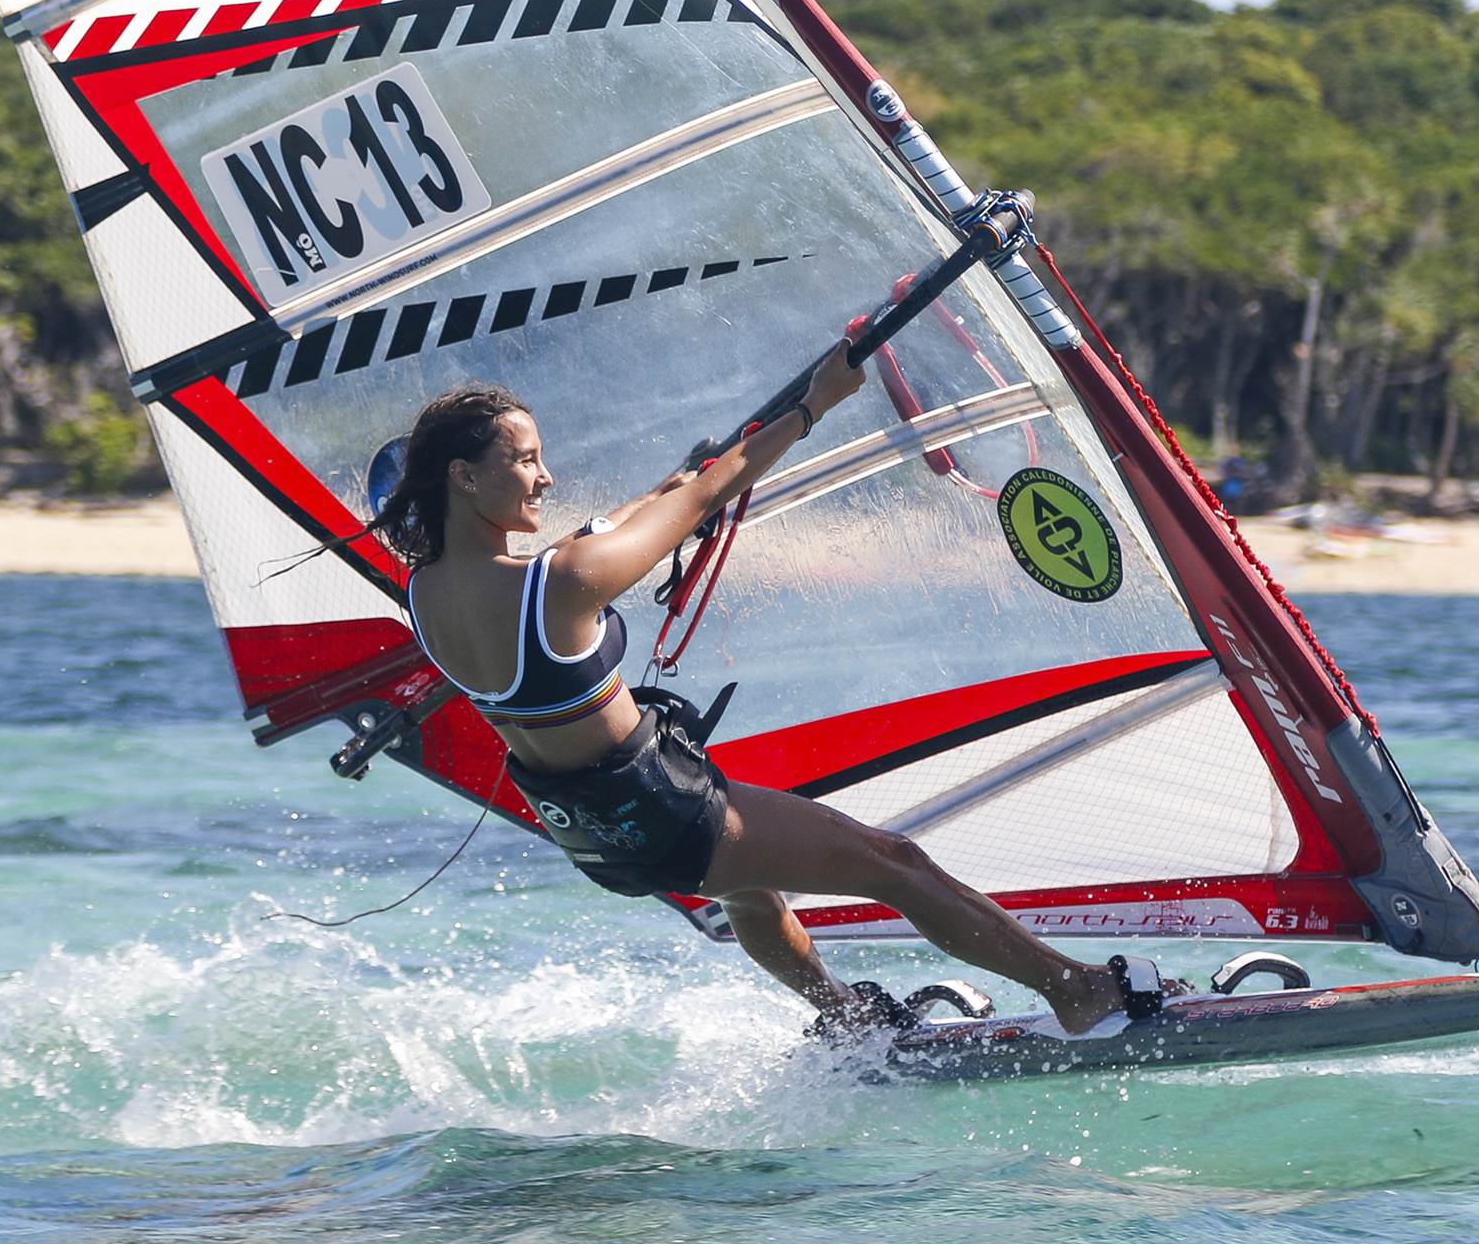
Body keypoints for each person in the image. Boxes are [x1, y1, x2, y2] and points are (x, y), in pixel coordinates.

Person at [364, 348, 1169, 1036]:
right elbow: (705, 498)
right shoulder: (563, 582)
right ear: (464, 476)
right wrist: (815, 405)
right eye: (525, 460)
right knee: (894, 862)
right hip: (669, 810)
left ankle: (846, 1016)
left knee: (751, 891)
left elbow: (610, 530)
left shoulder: (423, 593)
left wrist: (666, 488)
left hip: (594, 836)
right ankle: (1074, 989)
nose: (545, 476)